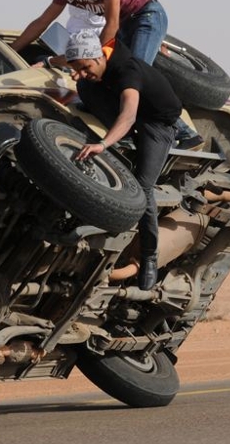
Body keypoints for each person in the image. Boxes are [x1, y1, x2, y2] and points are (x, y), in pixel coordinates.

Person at [12, 0, 202, 148]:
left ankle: (185, 132)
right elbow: (42, 21)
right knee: (100, 76)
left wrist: (92, 58)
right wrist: (14, 48)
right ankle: (123, 128)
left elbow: (111, 22)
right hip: (124, 22)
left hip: (145, 16)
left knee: (134, 73)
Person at [65, 30, 181, 290]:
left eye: (85, 67)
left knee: (144, 187)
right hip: (129, 113)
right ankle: (115, 127)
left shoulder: (127, 71)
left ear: (98, 56)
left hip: (156, 124)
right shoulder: (96, 65)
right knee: (85, 86)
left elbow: (128, 115)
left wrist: (103, 144)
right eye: (77, 68)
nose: (82, 72)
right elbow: (78, 68)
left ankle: (149, 257)